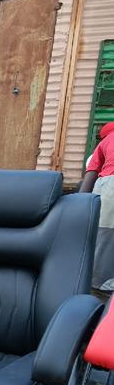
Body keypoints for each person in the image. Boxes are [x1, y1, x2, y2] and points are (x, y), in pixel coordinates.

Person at [79, 121, 114, 291]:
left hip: (110, 185)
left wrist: (77, 207)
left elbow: (90, 175)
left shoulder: (105, 142)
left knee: (104, 235)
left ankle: (99, 288)